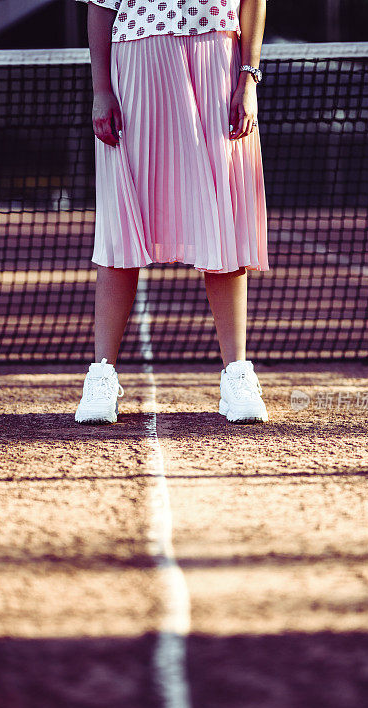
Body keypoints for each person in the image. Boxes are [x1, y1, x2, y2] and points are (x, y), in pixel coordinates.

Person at [74, 0, 269, 424]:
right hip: (140, 60)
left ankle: (237, 373)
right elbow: (100, 6)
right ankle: (101, 375)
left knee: (222, 212)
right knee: (124, 219)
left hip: (217, 58)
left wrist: (248, 77)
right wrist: (101, 90)